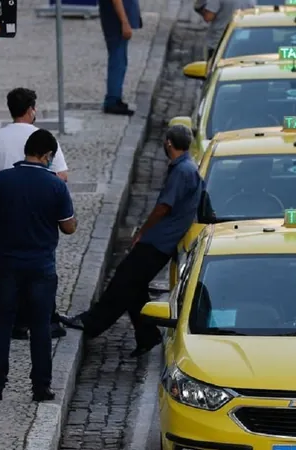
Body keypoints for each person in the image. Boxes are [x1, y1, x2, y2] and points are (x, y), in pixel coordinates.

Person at [59, 125, 202, 357]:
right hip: (163, 241)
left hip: (158, 241)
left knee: (123, 282)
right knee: (135, 287)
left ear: (168, 143)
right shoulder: (188, 167)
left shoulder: (182, 171)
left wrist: (142, 231)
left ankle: (92, 322)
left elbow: (163, 207)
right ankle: (147, 336)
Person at [0, 129, 78, 402]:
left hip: (7, 263)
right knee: (40, 326)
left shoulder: (2, 180)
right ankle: (40, 387)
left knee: (1, 323)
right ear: (47, 155)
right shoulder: (56, 186)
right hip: (41, 267)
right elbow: (68, 227)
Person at [0, 87, 69, 341]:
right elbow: (61, 175)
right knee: (42, 266)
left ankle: (16, 322)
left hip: (6, 211)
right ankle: (45, 319)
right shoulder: (42, 137)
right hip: (40, 211)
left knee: (9, 269)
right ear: (31, 109)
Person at [99, 0, 142, 115]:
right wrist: (124, 21)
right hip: (115, 20)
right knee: (117, 60)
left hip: (114, 17)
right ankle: (112, 100)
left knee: (120, 59)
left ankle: (115, 97)